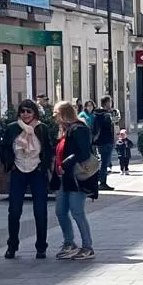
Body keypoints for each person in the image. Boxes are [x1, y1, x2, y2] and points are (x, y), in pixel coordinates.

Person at [0, 99, 54, 259]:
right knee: (14, 210)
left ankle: (41, 247)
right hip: (18, 171)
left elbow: (48, 149)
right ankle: (12, 245)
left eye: (29, 111)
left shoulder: (42, 129)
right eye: (22, 111)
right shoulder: (12, 128)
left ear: (34, 113)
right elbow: (4, 148)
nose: (25, 114)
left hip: (36, 171)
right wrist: (10, 164)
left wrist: (43, 166)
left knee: (40, 210)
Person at [52, 100, 97, 261]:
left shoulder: (79, 129)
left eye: (56, 113)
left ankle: (87, 246)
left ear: (64, 114)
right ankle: (69, 243)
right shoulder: (65, 130)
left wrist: (65, 163)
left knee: (77, 211)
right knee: (60, 211)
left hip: (77, 177)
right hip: (64, 177)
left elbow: (83, 153)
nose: (54, 116)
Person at [92, 97, 117, 191]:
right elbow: (109, 127)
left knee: (103, 162)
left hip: (100, 141)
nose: (111, 104)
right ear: (106, 103)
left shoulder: (96, 114)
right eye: (110, 102)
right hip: (106, 141)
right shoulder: (106, 115)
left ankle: (100, 181)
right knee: (105, 162)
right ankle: (102, 182)